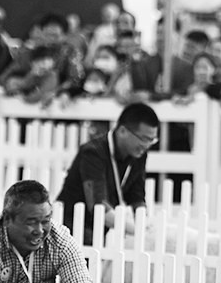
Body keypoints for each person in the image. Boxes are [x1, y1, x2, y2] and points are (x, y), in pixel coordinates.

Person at [56, 102, 160, 244]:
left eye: (151, 140)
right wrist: (137, 231)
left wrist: (144, 222)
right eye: (144, 139)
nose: (147, 145)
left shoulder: (138, 154)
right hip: (71, 228)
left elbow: (137, 196)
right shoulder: (93, 152)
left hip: (100, 229)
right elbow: (99, 207)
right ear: (123, 131)